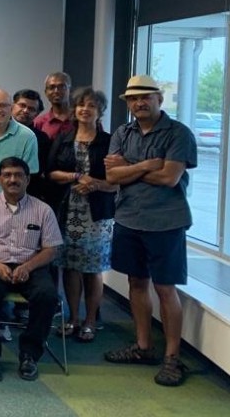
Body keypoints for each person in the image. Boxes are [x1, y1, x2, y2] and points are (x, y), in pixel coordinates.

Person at [103, 75, 196, 387]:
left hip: (166, 222)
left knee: (166, 288)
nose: (139, 103)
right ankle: (143, 347)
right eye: (133, 98)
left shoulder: (178, 133)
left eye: (145, 97)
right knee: (136, 282)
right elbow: (112, 177)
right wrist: (145, 165)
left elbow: (170, 178)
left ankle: (172, 357)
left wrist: (127, 167)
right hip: (129, 218)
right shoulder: (122, 132)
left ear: (159, 99)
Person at [0, 157, 63, 382]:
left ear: (28, 179)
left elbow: (51, 249)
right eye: (7, 175)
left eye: (18, 175)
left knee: (47, 295)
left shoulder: (43, 210)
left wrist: (28, 266)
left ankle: (29, 355)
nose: (13, 180)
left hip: (31, 265)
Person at [46, 87, 116, 343]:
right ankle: (73, 317)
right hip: (67, 211)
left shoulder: (109, 142)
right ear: (74, 109)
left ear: (100, 111)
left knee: (93, 268)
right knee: (70, 267)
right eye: (81, 105)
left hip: (97, 214)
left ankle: (90, 321)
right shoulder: (64, 139)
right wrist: (76, 176)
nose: (85, 109)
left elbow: (117, 181)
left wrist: (94, 184)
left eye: (91, 106)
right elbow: (51, 173)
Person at [12, 89, 53, 202]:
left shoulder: (42, 139)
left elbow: (40, 170)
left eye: (31, 109)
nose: (25, 111)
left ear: (37, 114)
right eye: (22, 105)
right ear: (12, 105)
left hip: (29, 195)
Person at [33, 72, 74, 140]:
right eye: (51, 87)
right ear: (46, 93)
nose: (56, 91)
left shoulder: (80, 119)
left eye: (62, 87)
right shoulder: (39, 123)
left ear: (70, 90)